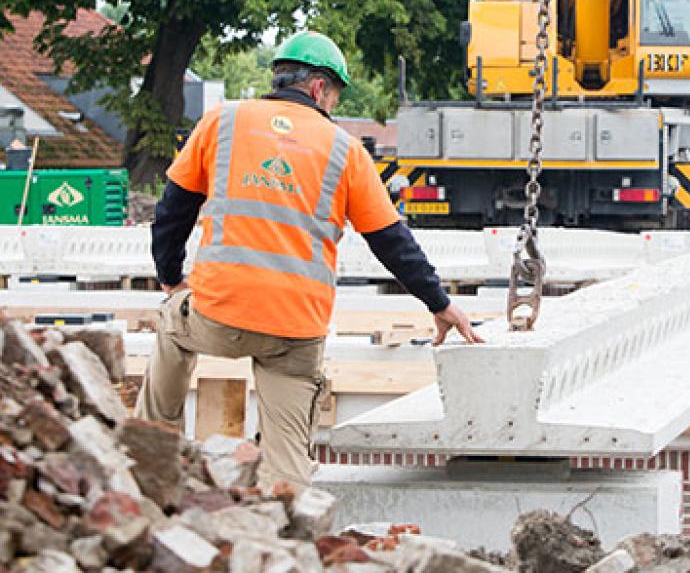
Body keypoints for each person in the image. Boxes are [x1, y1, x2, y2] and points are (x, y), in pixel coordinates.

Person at [137, 31, 484, 492]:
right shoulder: (345, 150)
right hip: (295, 331)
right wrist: (439, 303)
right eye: (335, 96)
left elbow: (172, 210)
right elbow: (391, 240)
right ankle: (287, 517)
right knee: (287, 468)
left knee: (171, 321)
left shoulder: (222, 122)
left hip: (218, 314)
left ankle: (150, 452)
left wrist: (170, 280)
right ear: (319, 88)